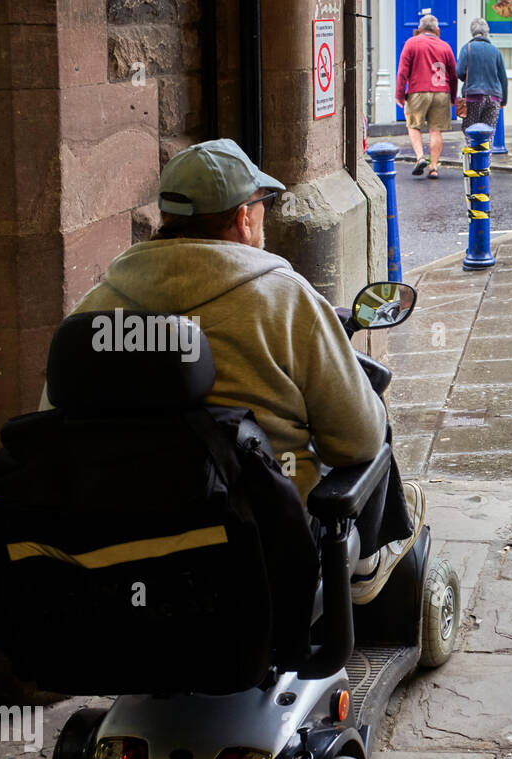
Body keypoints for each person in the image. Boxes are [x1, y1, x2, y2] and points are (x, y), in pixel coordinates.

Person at [40, 138, 422, 604]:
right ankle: (362, 577)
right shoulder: (285, 299)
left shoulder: (95, 310)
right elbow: (356, 441)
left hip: (114, 556)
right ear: (244, 217)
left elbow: (50, 428)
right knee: (371, 424)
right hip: (260, 560)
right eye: (262, 204)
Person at [396, 14, 458, 179]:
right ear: (437, 30)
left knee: (414, 125)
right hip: (441, 92)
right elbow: (453, 74)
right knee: (435, 130)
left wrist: (400, 94)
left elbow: (403, 71)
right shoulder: (445, 46)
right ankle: (434, 167)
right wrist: (453, 97)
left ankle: (420, 157)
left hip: (418, 91)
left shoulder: (411, 43)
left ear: (419, 29)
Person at [456, 19, 508, 133]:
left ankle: (473, 150)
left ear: (472, 32)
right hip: (494, 97)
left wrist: (469, 77)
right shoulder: (495, 51)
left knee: (470, 130)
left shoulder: (467, 48)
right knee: (488, 132)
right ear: (486, 32)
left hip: (473, 96)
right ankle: (486, 150)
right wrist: (503, 101)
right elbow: (503, 78)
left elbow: (459, 72)